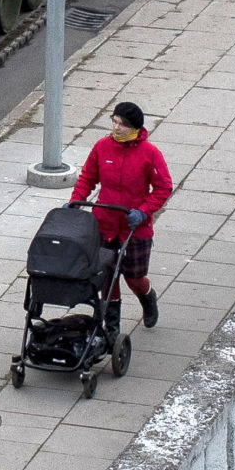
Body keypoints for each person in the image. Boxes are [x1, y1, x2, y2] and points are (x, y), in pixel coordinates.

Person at [72, 102, 175, 328]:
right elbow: (88, 178)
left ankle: (147, 297)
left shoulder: (150, 154)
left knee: (134, 278)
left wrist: (143, 211)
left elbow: (163, 188)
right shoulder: (102, 147)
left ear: (135, 128)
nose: (116, 128)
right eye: (114, 122)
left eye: (123, 125)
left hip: (135, 227)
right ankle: (111, 325)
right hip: (105, 223)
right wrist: (75, 203)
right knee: (107, 275)